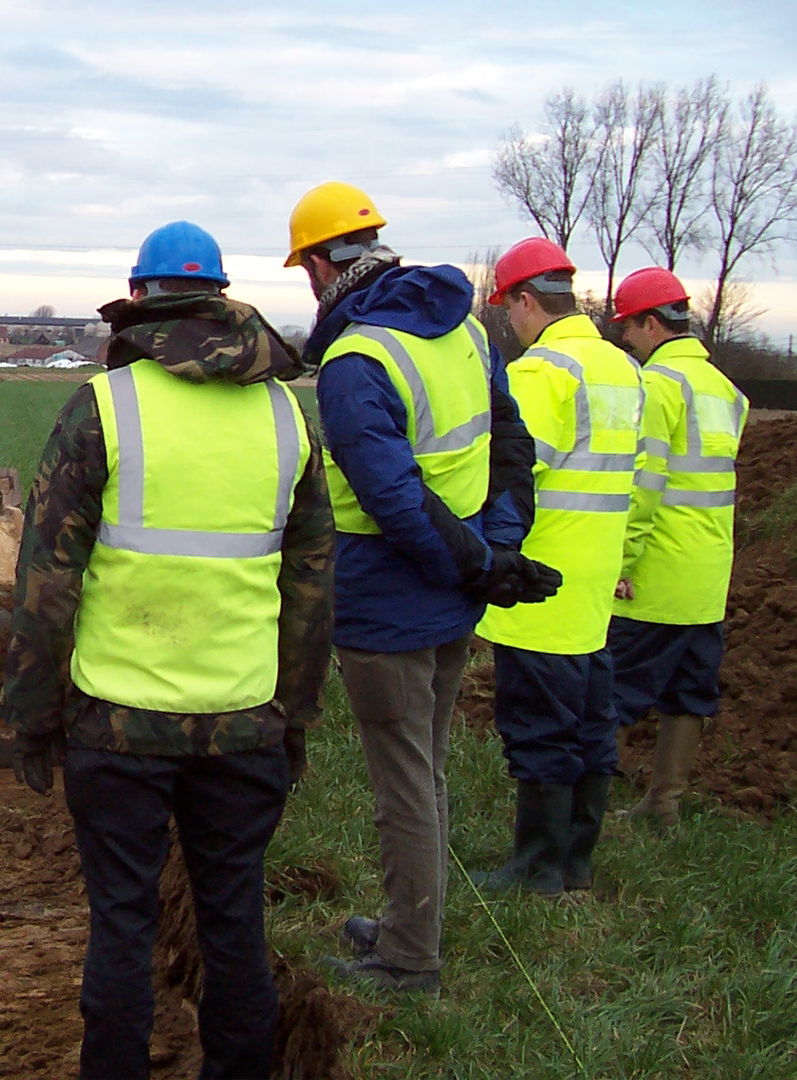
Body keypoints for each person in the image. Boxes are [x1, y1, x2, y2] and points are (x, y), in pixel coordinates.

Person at [1, 220, 334, 1080]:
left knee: (122, 924)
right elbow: (311, 585)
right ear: (223, 296)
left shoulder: (103, 407)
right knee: (233, 923)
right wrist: (294, 715)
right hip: (243, 728)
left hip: (117, 730)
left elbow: (48, 580)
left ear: (139, 297)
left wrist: (33, 717)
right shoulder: (287, 417)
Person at [285, 183, 557, 993]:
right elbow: (510, 443)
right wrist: (492, 556)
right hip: (455, 589)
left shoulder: (357, 359)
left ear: (319, 268)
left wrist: (481, 562)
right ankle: (412, 922)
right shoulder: (466, 330)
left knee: (403, 781)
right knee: (425, 767)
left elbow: (392, 497)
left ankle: (409, 960)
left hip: (389, 599)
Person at [471, 239, 644, 896]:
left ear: (523, 300)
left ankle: (534, 868)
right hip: (596, 582)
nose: (509, 324)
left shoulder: (542, 372)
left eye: (508, 309)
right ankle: (575, 860)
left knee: (540, 726)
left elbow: (514, 468)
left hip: (541, 582)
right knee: (592, 722)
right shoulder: (622, 367)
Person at [607, 267, 748, 829]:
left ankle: (584, 808)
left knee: (613, 689)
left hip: (657, 574)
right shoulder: (726, 390)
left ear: (650, 323)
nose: (625, 341)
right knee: (690, 691)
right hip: (709, 573)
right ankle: (666, 804)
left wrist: (621, 561)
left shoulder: (659, 386)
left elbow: (645, 485)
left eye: (628, 330)